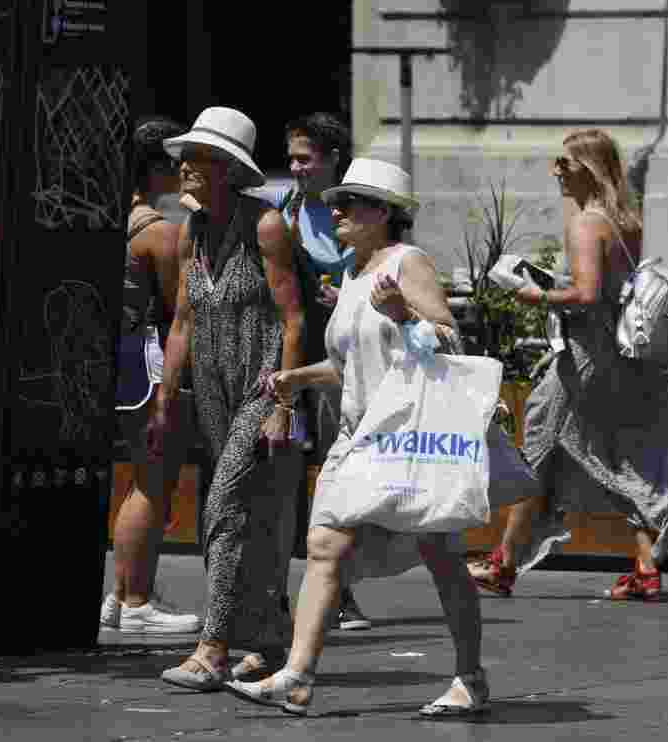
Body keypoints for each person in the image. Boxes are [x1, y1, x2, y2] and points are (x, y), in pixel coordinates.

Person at [229, 158, 493, 717]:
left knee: (442, 557)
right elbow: (347, 364)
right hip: (359, 437)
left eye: (351, 202)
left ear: (384, 214)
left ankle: (470, 676)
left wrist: (402, 315)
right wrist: (296, 377)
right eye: (336, 202)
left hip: (410, 439)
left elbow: (448, 340)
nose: (337, 210)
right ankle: (297, 677)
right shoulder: (351, 272)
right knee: (324, 546)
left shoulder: (407, 263)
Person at [467, 128, 668, 600]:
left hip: (582, 358)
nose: (556, 172)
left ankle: (502, 564)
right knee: (603, 454)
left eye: (564, 163)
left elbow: (585, 295)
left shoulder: (588, 223)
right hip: (614, 356)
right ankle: (645, 566)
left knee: (540, 452)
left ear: (588, 168)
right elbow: (607, 290)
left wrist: (535, 293)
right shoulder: (625, 219)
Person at [152, 107, 306, 690]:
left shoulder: (265, 226)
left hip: (262, 385)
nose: (186, 167)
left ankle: (213, 647)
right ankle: (268, 640)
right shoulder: (193, 230)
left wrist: (282, 404)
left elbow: (293, 321)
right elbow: (183, 323)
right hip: (213, 393)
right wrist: (167, 402)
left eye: (200, 158)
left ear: (227, 169)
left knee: (221, 507)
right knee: (253, 513)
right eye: (187, 156)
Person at [99, 115, 203, 635]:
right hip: (147, 363)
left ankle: (123, 595)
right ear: (158, 167)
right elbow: (178, 309)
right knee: (153, 481)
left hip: (115, 360)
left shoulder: (112, 218)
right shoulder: (158, 232)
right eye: (179, 161)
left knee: (141, 478)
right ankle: (136, 600)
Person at [267, 112, 371, 632]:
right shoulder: (281, 210)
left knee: (336, 476)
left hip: (336, 365)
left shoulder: (351, 215)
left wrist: (344, 295)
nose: (295, 167)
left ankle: (339, 591)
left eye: (304, 159)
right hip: (291, 360)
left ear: (332, 160)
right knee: (287, 477)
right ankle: (281, 595)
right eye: (291, 158)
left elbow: (379, 276)